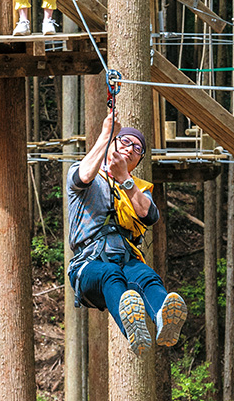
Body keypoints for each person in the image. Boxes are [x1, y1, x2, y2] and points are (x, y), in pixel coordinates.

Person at [65, 110, 188, 356]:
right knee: (110, 273)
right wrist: (106, 135)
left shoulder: (139, 189)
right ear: (113, 144)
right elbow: (83, 176)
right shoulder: (85, 172)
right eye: (125, 141)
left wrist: (125, 179)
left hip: (126, 260)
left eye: (137, 149)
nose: (131, 148)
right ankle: (133, 329)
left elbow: (149, 215)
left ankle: (164, 318)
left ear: (138, 160)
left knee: (146, 275)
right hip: (88, 266)